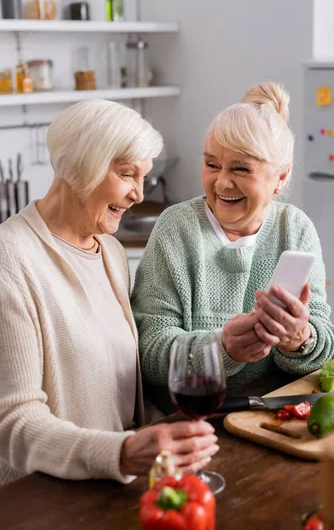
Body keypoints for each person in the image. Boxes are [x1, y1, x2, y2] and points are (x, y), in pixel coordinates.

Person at [0, 99, 218, 486]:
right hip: (46, 500)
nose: (138, 193)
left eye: (143, 176)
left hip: (118, 486)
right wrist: (121, 453)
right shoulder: (10, 258)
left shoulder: (111, 252)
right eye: (126, 174)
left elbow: (119, 395)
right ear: (77, 167)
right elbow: (13, 424)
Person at [132, 82, 334, 414]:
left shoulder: (295, 228)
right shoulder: (177, 228)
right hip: (188, 416)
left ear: (281, 177)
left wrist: (299, 339)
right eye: (212, 165)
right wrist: (222, 349)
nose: (222, 183)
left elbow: (322, 341)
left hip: (267, 414)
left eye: (241, 168)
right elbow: (150, 351)